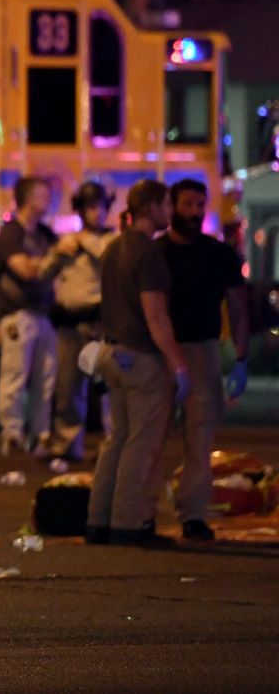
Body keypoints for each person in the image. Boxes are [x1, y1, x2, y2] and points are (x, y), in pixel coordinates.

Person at [86, 179, 190, 547]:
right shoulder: (148, 254)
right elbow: (156, 316)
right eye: (167, 204)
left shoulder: (113, 248)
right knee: (141, 444)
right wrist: (178, 364)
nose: (171, 212)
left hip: (112, 354)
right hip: (142, 357)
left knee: (116, 440)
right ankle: (128, 524)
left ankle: (98, 520)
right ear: (153, 207)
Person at [151, 178, 249, 541]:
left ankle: (192, 513)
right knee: (152, 435)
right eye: (187, 204)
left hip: (204, 351)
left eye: (199, 204)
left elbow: (238, 310)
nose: (194, 212)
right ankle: (145, 513)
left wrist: (240, 358)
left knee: (200, 437)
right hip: (162, 351)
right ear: (171, 207)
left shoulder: (219, 254)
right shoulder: (157, 253)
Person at [43, 181, 117, 462]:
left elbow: (107, 260)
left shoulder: (111, 240)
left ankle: (114, 443)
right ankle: (66, 444)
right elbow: (42, 272)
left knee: (108, 387)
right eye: (90, 207)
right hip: (69, 323)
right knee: (67, 387)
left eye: (100, 207)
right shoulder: (68, 242)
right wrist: (57, 251)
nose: (96, 213)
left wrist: (82, 242)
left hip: (99, 322)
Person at [0, 176, 58, 457]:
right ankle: (12, 434)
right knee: (15, 375)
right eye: (43, 194)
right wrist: (48, 263)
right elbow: (25, 270)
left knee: (46, 377)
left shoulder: (45, 234)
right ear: (28, 198)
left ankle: (41, 435)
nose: (49, 199)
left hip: (43, 313)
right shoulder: (12, 234)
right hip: (17, 314)